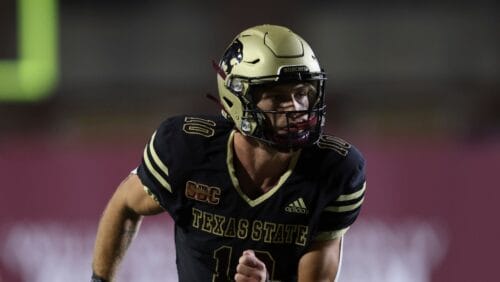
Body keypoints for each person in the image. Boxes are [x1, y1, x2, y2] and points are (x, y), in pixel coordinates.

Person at [91, 24, 366, 282]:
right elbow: (125, 205)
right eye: (279, 97)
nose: (295, 108)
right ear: (238, 97)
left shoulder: (336, 170)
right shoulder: (187, 151)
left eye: (302, 93)